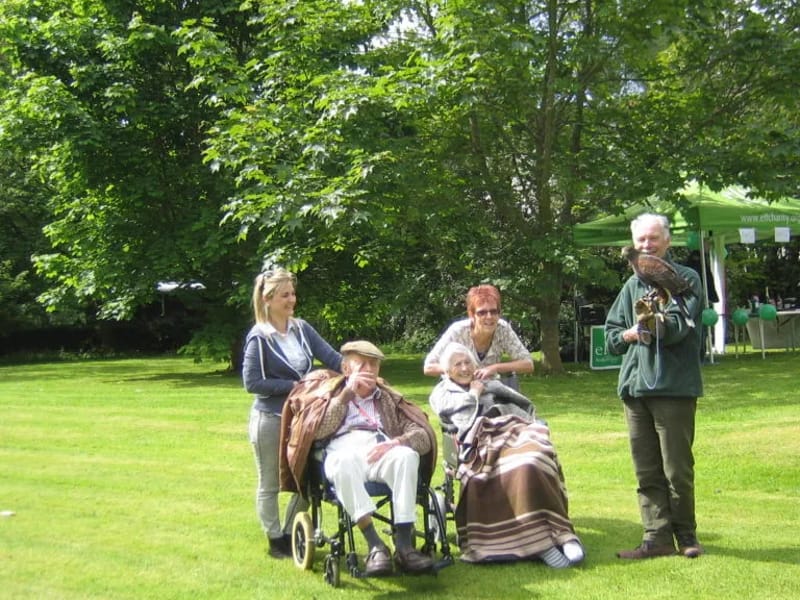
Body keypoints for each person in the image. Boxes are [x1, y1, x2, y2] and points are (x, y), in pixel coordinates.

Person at [280, 340, 437, 576]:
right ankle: (375, 545)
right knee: (342, 463)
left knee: (406, 456)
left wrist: (397, 442)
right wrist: (347, 395)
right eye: (361, 364)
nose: (369, 370)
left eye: (373, 365)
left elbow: (422, 437)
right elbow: (317, 431)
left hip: (380, 448)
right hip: (342, 449)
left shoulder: (387, 398)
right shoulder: (329, 394)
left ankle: (405, 546)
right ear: (346, 368)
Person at [429, 342, 585, 568]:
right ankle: (540, 544)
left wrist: (529, 425)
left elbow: (524, 406)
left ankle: (562, 534)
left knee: (536, 459)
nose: (464, 368)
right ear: (446, 371)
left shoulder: (490, 383)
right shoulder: (441, 393)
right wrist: (474, 393)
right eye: (457, 364)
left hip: (512, 431)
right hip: (478, 443)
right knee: (515, 468)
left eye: (468, 362)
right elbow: (460, 422)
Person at [605, 213, 704, 560]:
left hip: (673, 387)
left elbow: (678, 329)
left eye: (653, 238)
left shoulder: (687, 277)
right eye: (641, 240)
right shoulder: (631, 283)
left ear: (667, 240)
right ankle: (656, 538)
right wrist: (628, 333)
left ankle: (686, 536)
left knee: (677, 469)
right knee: (646, 470)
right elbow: (611, 336)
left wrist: (655, 323)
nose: (647, 245)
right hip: (635, 390)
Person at [242, 267, 342, 559]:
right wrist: (297, 386)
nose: (292, 300)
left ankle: (289, 533)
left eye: (293, 294)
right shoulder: (259, 337)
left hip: (302, 420)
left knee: (307, 481)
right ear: (268, 299)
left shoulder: (301, 329)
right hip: (270, 420)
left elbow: (331, 357)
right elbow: (252, 383)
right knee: (270, 483)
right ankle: (275, 540)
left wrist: (356, 369)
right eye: (285, 295)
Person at [423, 284, 533, 387]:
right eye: (482, 312)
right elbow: (429, 367)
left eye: (494, 311)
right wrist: (460, 370)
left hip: (489, 388)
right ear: (472, 315)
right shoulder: (458, 331)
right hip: (457, 390)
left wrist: (494, 368)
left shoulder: (503, 330)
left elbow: (528, 364)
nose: (489, 317)